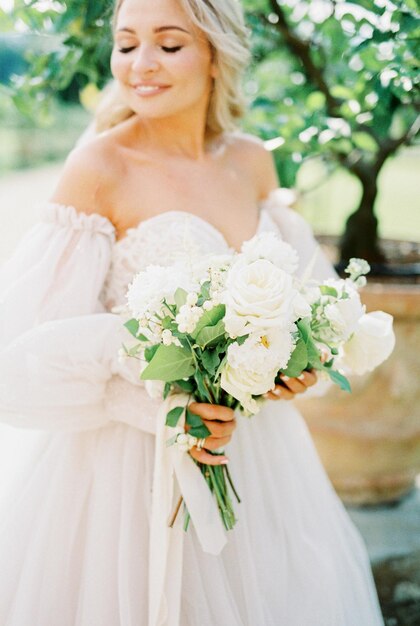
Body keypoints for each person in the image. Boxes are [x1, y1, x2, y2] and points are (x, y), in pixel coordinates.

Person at [0, 0, 384, 624]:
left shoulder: (252, 160)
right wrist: (163, 408)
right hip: (123, 477)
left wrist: (291, 367)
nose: (140, 64)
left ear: (215, 55)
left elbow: (305, 295)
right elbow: (27, 357)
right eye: (126, 44)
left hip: (258, 461)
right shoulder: (100, 166)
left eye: (168, 45)